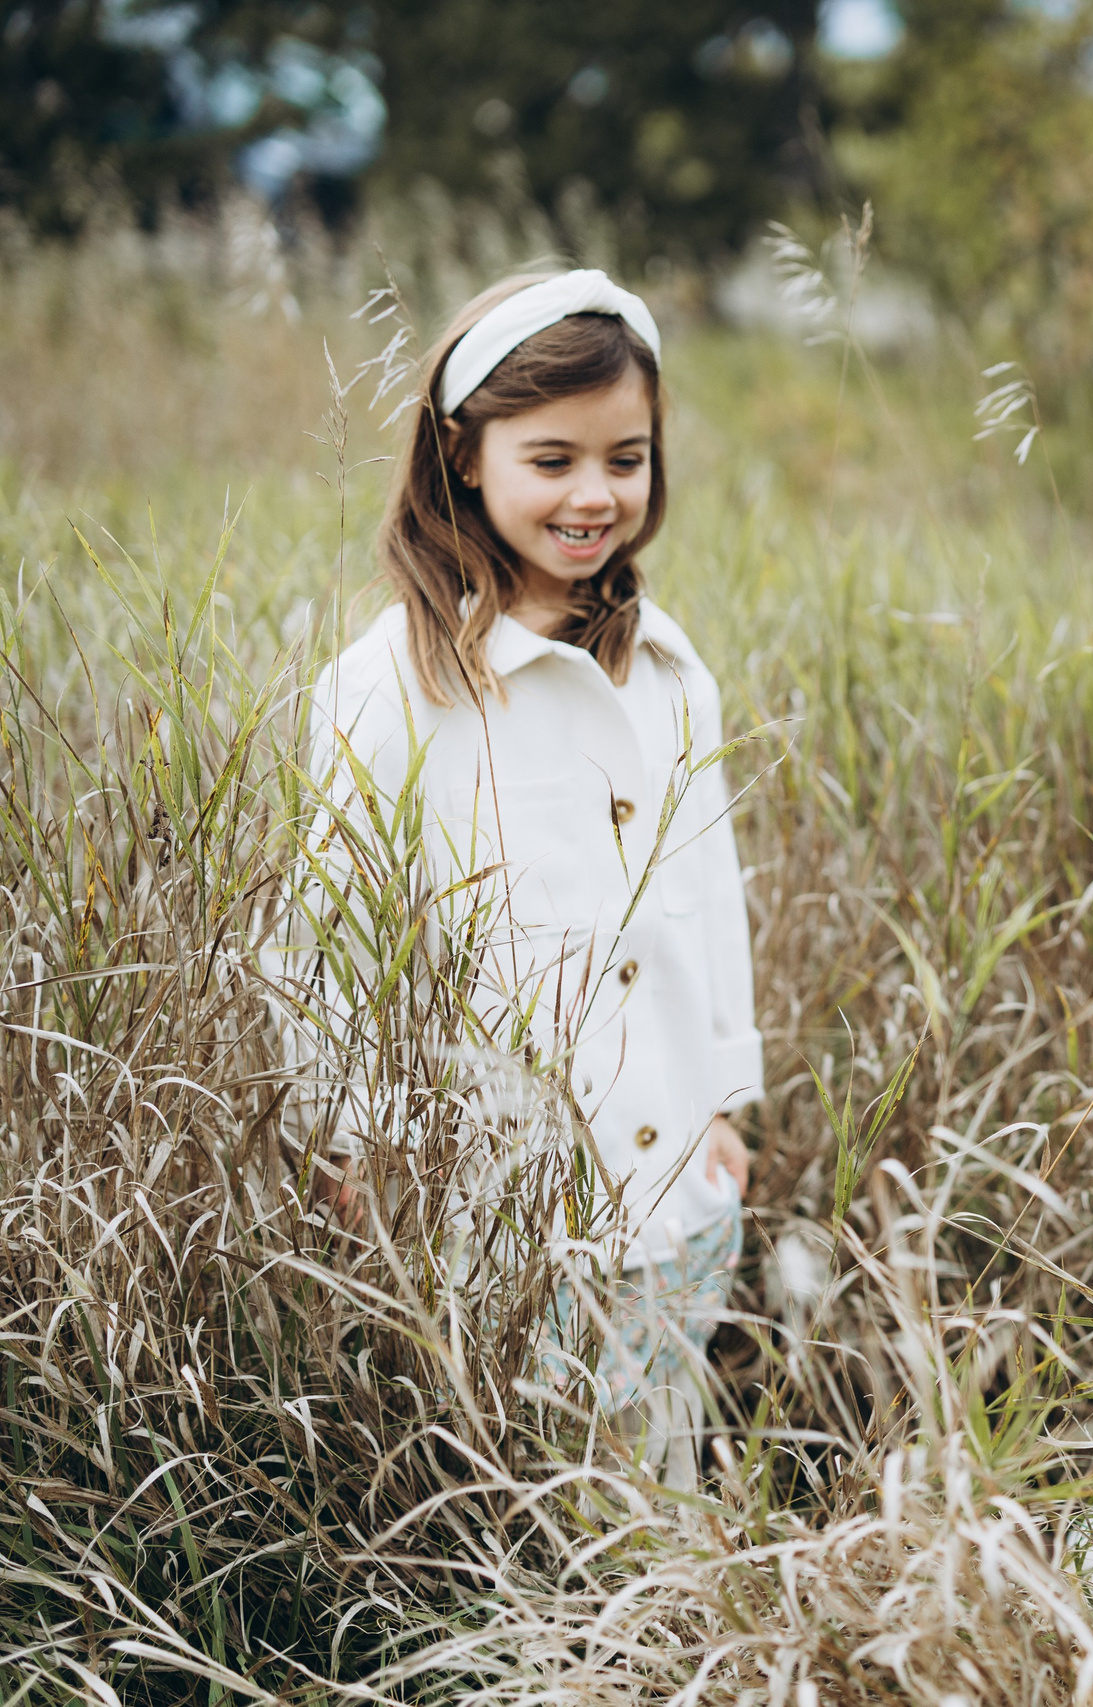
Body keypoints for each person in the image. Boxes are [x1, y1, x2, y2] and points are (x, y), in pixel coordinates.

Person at [302, 269, 763, 1488]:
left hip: (668, 1165)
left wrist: (724, 1100)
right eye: (551, 460)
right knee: (520, 1488)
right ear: (463, 454)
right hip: (493, 1197)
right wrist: (356, 1141)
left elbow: (710, 898)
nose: (594, 494)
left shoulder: (670, 669)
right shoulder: (392, 685)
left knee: (658, 1474)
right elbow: (334, 934)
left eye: (626, 458)